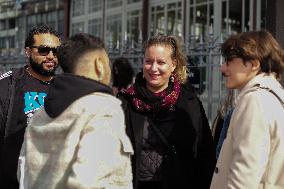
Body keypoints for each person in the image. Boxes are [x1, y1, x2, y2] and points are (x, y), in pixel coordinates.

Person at [17, 33, 133, 189]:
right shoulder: (102, 108)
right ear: (99, 65)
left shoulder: (42, 112)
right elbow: (87, 182)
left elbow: (23, 173)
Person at [118, 34, 216, 189]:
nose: (153, 68)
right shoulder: (126, 101)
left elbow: (204, 155)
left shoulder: (189, 104)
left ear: (173, 65)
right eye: (148, 61)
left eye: (161, 62)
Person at [210, 30, 284, 189]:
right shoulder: (274, 96)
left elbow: (243, 178)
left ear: (253, 64)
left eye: (229, 61)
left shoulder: (254, 101)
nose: (223, 68)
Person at [0, 24, 61, 188]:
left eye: (56, 51)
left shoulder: (65, 88)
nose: (51, 56)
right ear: (28, 52)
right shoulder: (9, 84)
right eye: (43, 50)